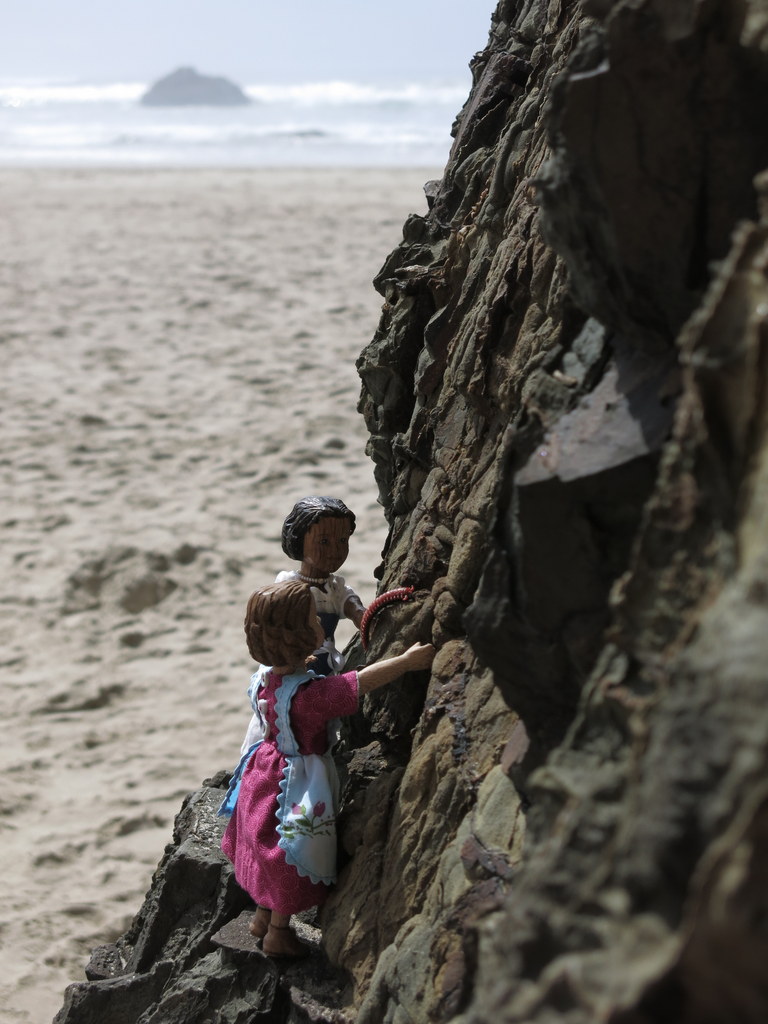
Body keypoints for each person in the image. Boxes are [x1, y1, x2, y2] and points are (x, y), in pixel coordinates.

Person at [220, 579, 435, 959]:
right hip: (300, 778)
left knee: (264, 841)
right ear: (296, 635)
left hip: (263, 770)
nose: (320, 624)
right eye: (312, 620)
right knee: (291, 851)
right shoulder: (311, 697)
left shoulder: (264, 679)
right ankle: (277, 933)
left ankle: (260, 917)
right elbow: (358, 684)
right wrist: (405, 662)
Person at [276, 496, 366, 676]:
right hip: (293, 668)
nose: (335, 551)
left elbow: (354, 607)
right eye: (324, 542)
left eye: (343, 541)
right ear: (298, 540)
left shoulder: (336, 590)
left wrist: (361, 615)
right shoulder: (288, 585)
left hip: (326, 666)